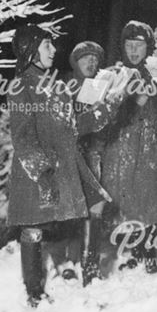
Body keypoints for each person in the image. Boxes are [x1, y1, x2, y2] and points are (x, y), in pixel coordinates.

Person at [7, 25, 115, 306]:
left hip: (66, 165)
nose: (54, 50)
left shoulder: (54, 83)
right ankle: (34, 293)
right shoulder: (21, 86)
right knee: (33, 228)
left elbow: (71, 127)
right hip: (38, 173)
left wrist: (105, 110)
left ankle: (90, 271)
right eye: (47, 46)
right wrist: (42, 172)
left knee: (95, 205)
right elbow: (22, 136)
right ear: (30, 51)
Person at [101, 21, 157, 273]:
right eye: (129, 45)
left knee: (147, 196)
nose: (134, 50)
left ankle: (149, 253)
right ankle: (132, 250)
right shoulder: (114, 74)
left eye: (139, 45)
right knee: (123, 197)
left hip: (148, 143)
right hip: (121, 145)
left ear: (148, 47)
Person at [64, 40, 115, 286]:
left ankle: (91, 265)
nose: (90, 63)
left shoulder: (99, 87)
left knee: (96, 209)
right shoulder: (65, 87)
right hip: (72, 157)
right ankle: (71, 261)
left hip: (94, 154)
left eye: (94, 59)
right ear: (75, 62)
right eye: (85, 58)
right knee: (75, 211)